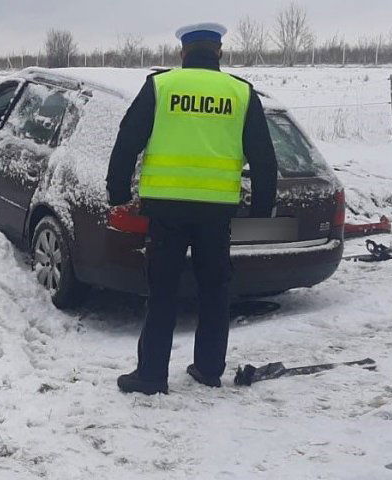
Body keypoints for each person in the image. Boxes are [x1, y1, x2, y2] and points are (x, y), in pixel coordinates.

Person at [106, 22, 278, 395]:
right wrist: (262, 210)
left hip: (166, 210)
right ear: (218, 52)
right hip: (216, 212)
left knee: (163, 291)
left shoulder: (161, 87)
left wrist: (117, 191)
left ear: (183, 53)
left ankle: (151, 376)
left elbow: (127, 139)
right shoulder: (241, 93)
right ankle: (209, 368)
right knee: (215, 289)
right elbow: (264, 157)